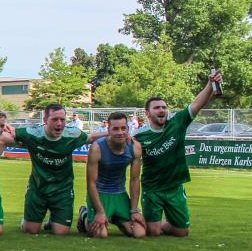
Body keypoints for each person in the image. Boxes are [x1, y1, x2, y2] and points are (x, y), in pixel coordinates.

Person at [135, 70, 224, 238]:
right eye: (157, 108)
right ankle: (144, 222)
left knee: (183, 232)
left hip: (175, 186)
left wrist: (210, 84)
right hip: (152, 188)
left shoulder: (177, 123)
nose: (162, 110)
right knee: (153, 232)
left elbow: (197, 104)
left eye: (164, 107)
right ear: (147, 114)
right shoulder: (139, 136)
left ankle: (157, 224)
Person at [12, 103, 103, 235]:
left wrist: (114, 133)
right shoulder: (32, 134)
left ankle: (78, 215)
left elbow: (91, 138)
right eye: (55, 119)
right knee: (30, 231)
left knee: (61, 232)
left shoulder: (73, 134)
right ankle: (27, 222)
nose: (59, 123)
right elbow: (7, 131)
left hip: (63, 190)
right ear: (45, 120)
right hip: (38, 189)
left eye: (62, 119)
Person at [79, 112, 145, 238]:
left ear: (128, 129)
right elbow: (91, 183)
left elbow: (135, 180)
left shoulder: (135, 147)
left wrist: (134, 210)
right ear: (108, 129)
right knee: (101, 234)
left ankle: (116, 217)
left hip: (120, 193)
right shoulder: (97, 148)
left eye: (123, 128)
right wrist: (100, 212)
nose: (120, 132)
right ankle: (85, 216)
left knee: (138, 233)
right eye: (115, 129)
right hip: (100, 193)